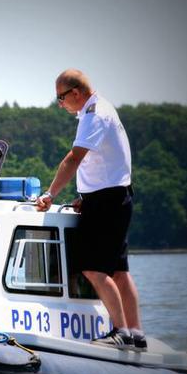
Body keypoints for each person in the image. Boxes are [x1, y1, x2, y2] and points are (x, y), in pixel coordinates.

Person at [36, 69, 146, 351]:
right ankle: (136, 333)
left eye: (61, 98)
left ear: (75, 92)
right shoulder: (103, 108)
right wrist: (86, 196)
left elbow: (74, 159)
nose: (60, 104)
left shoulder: (93, 113)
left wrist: (50, 194)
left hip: (107, 201)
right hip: (114, 196)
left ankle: (121, 331)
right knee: (119, 270)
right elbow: (107, 161)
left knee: (94, 269)